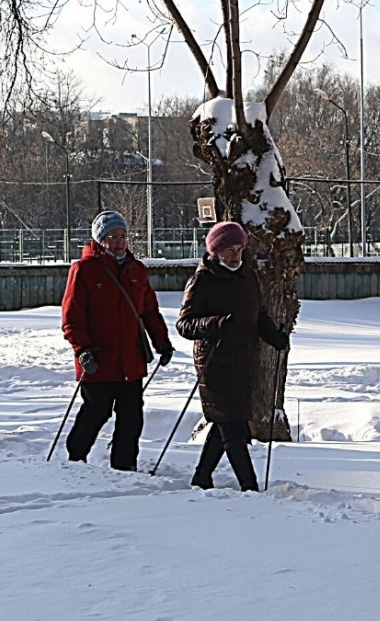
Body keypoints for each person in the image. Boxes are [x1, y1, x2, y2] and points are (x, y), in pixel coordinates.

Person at [175, 221, 289, 492]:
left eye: (239, 249)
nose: (236, 256)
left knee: (225, 420)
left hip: (243, 360)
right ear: (216, 252)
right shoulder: (202, 280)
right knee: (234, 427)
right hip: (214, 362)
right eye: (229, 250)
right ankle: (249, 487)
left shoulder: (247, 276)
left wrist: (274, 336)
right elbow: (185, 324)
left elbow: (258, 314)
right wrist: (215, 324)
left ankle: (202, 477)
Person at [62, 211, 173, 470]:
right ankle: (75, 460)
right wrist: (82, 349)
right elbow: (72, 317)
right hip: (98, 361)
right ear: (100, 240)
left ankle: (124, 467)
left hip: (130, 361)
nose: (120, 242)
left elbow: (149, 311)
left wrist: (162, 342)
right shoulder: (84, 269)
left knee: (132, 418)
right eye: (113, 236)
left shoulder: (137, 270)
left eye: (123, 236)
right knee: (95, 413)